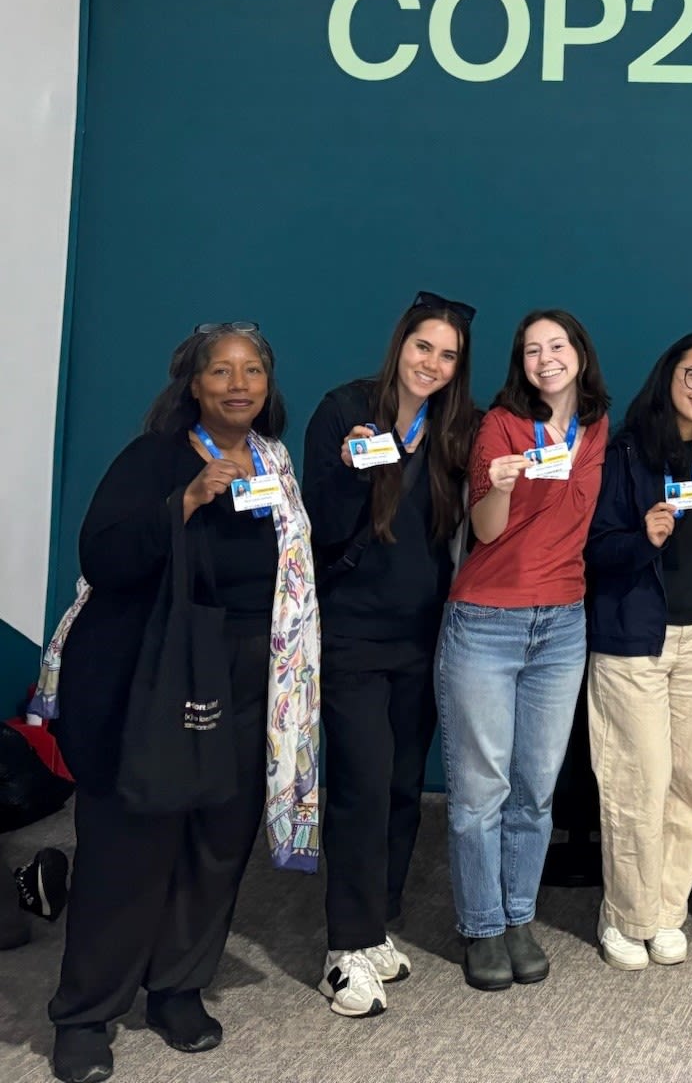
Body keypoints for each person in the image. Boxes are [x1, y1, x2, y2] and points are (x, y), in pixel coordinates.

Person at [39, 323, 320, 1083]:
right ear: (193, 385)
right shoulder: (153, 458)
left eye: (252, 370)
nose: (239, 383)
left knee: (216, 840)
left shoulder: (275, 463)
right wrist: (187, 501)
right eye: (221, 371)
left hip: (250, 678)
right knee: (130, 847)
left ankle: (177, 988)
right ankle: (86, 1013)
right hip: (155, 673)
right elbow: (102, 556)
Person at [303, 291, 477, 1016]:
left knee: (404, 784)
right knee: (362, 786)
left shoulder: (455, 429)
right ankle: (343, 950)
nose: (431, 363)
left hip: (422, 635)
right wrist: (350, 469)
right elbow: (318, 526)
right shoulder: (344, 410)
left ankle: (376, 921)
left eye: (447, 355)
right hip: (351, 633)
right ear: (400, 343)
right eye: (422, 347)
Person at [436, 309, 609, 991]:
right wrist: (500, 486)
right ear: (521, 363)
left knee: (535, 789)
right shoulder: (500, 426)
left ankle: (517, 916)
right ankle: (480, 926)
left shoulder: (596, 427)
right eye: (532, 350)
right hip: (487, 621)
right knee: (482, 790)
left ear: (579, 352)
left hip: (562, 626)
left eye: (557, 345)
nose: (546, 359)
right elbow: (485, 530)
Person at [584, 334, 692, 971]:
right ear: (668, 375)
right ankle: (625, 915)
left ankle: (664, 911)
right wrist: (643, 539)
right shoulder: (626, 452)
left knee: (690, 783)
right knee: (638, 781)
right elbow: (594, 549)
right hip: (635, 638)